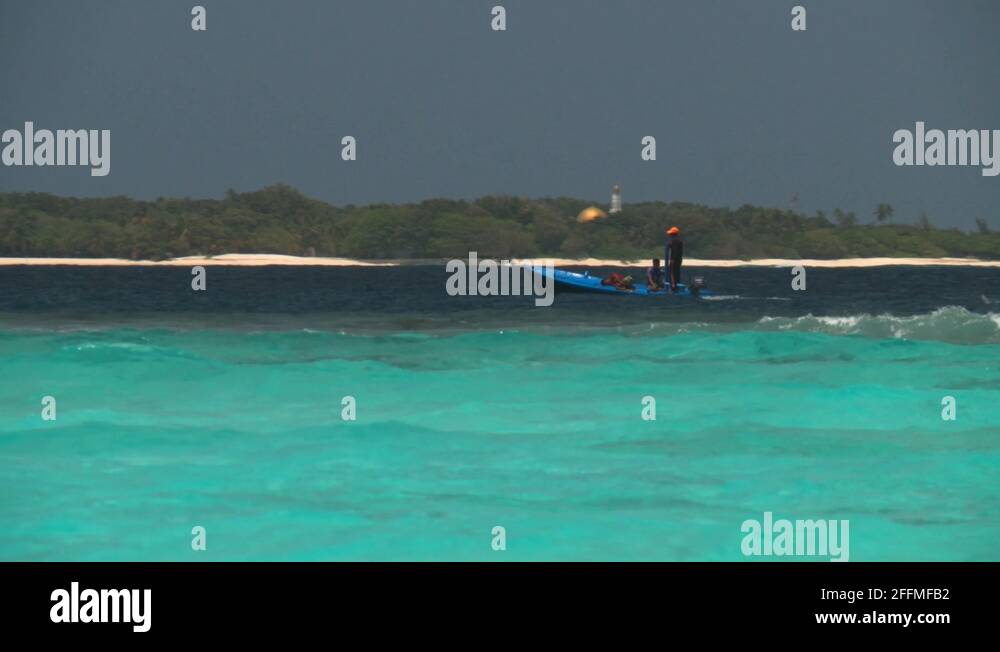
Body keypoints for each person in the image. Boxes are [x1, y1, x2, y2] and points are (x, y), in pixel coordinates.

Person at [664, 226, 683, 292]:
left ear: (672, 234)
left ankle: (673, 287)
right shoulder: (680, 241)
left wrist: (672, 260)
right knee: (677, 273)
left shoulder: (674, 241)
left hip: (674, 260)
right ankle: (676, 286)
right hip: (679, 260)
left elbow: (675, 251)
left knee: (671, 273)